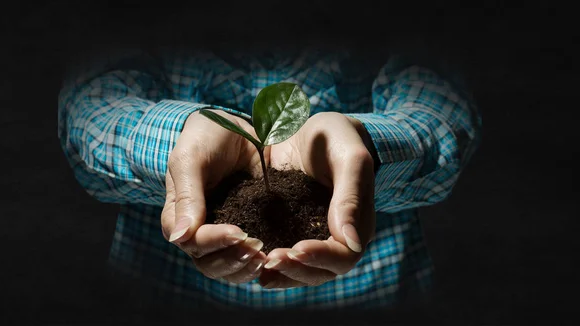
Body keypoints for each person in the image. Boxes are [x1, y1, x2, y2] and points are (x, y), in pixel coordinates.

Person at [58, 41, 481, 310]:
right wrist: (181, 140)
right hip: (160, 291)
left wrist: (365, 145)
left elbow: (441, 110)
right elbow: (90, 108)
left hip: (375, 290)